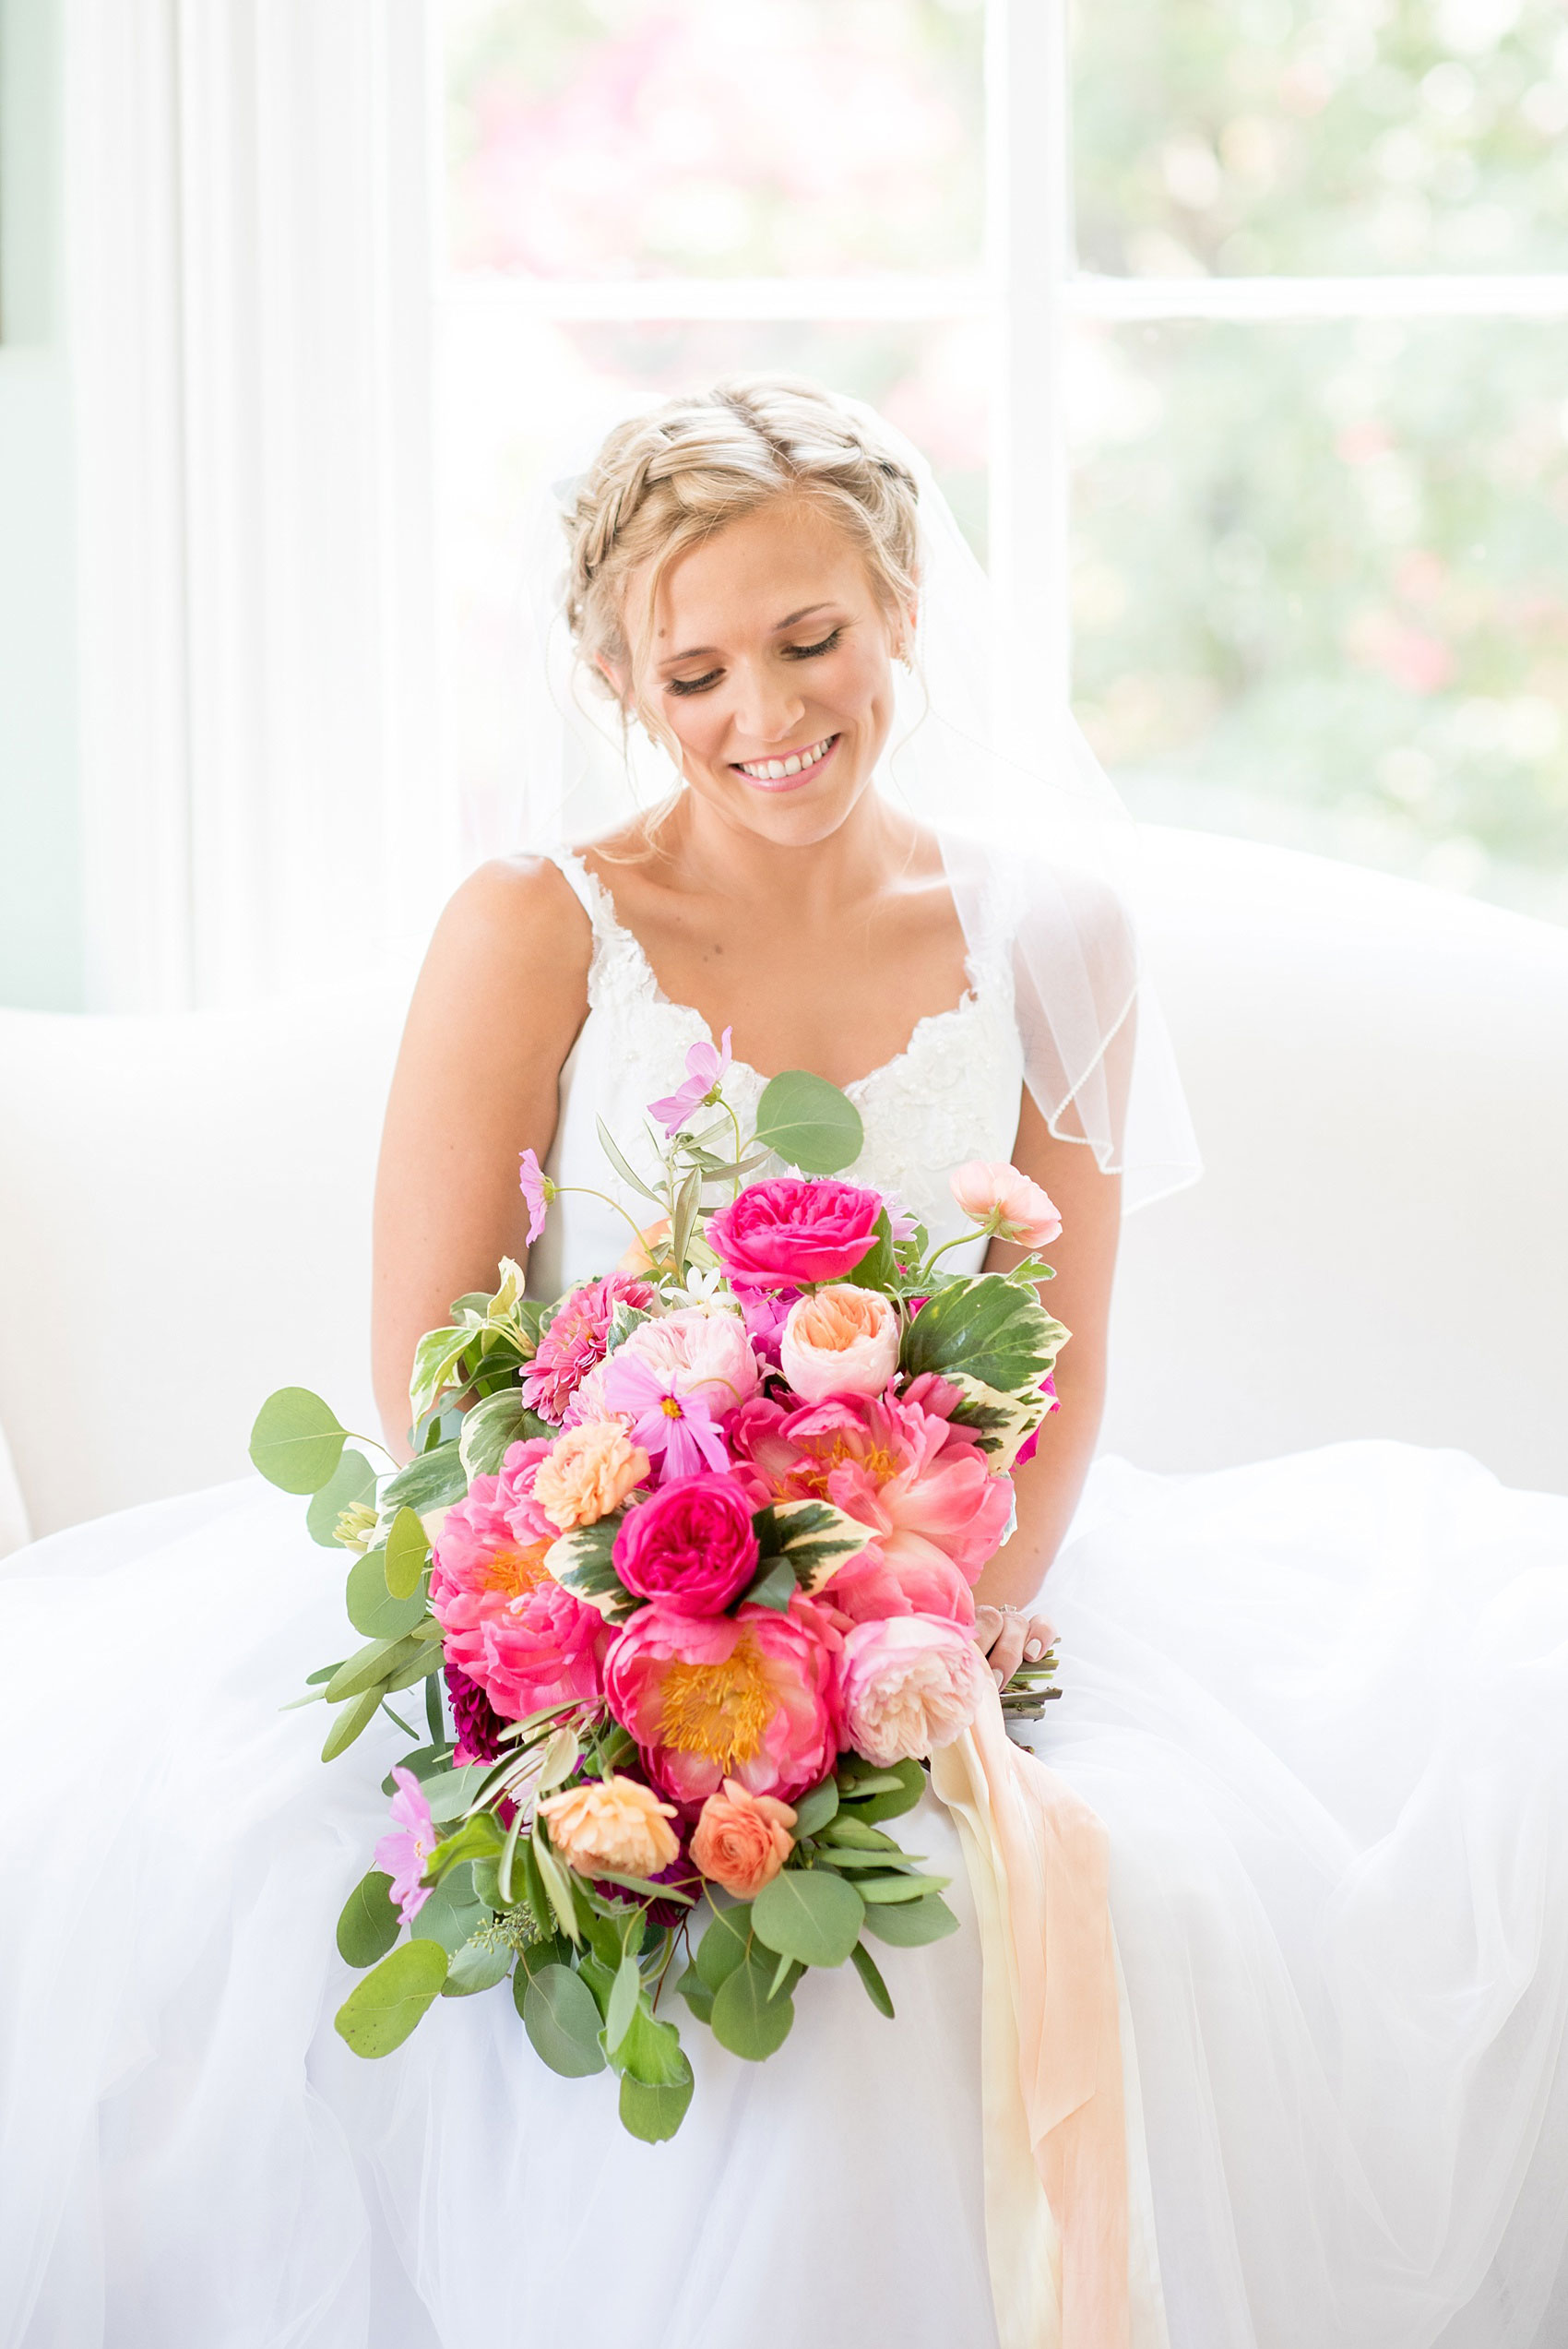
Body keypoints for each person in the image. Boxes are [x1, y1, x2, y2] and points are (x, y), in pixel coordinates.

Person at [3, 376, 1566, 2349]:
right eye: (699, 670)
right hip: (573, 1582)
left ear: (901, 605)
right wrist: (603, 1636)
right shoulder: (533, 928)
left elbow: (1058, 1368)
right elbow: (432, 1366)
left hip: (944, 1587)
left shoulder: (1055, 933)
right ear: (613, 678)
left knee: (1111, 1888)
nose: (769, 714)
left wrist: (921, 1644)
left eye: (812, 639)